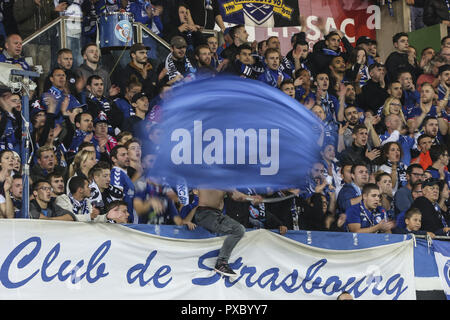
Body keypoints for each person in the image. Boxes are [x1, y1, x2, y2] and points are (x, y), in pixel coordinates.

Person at [192, 189, 263, 277]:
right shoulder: (209, 177)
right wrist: (251, 198)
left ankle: (221, 262)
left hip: (215, 214)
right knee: (238, 230)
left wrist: (252, 198)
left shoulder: (223, 179)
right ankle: (221, 262)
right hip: (206, 214)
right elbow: (237, 195)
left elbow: (236, 196)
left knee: (238, 229)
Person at [110, 145, 137, 223]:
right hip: (122, 224)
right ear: (114, 159)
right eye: (123, 155)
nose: (127, 157)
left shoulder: (124, 174)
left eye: (127, 154)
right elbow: (116, 201)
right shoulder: (117, 173)